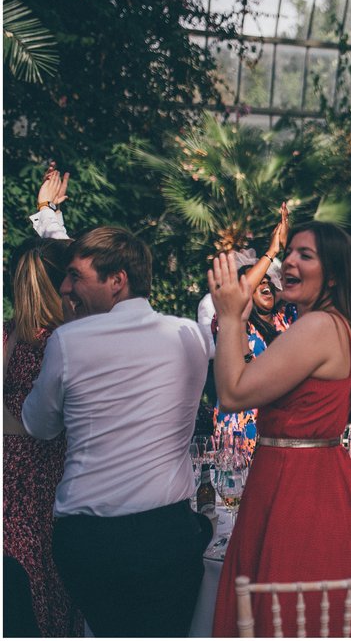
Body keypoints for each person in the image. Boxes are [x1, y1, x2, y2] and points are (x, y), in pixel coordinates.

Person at [21, 226, 213, 637]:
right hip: (168, 535)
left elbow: (38, 425)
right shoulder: (189, 336)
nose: (65, 286)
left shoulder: (68, 340)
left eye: (75, 276)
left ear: (117, 280)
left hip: (91, 544)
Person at [211, 221, 351, 637]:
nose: (289, 262)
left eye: (306, 255)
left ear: (333, 275)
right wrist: (241, 322)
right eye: (291, 252)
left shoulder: (319, 326)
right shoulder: (325, 324)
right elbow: (249, 376)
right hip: (296, 476)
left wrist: (229, 317)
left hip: (298, 488)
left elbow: (232, 393)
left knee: (286, 611)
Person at [3, 237, 83, 638]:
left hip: (11, 479)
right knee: (48, 586)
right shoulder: (59, 342)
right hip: (46, 478)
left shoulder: (9, 333)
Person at [211, 205, 293, 457]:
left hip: (276, 424)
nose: (265, 282)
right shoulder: (231, 319)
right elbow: (241, 291)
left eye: (269, 280)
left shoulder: (287, 319)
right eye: (260, 280)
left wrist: (287, 251)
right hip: (238, 425)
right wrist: (272, 251)